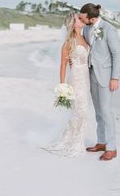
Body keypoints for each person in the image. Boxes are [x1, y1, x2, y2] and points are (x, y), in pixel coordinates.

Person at [41, 12, 90, 157]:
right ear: (74, 24)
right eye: (78, 19)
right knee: (82, 112)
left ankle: (71, 140)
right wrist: (62, 85)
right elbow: (63, 64)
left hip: (85, 78)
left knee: (80, 112)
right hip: (75, 78)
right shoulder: (69, 42)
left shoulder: (85, 37)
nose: (81, 20)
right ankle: (74, 144)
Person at [79, 3, 120, 161]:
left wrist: (115, 78)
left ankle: (112, 148)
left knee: (106, 112)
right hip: (91, 74)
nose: (82, 20)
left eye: (83, 18)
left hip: (105, 76)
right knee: (98, 112)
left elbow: (117, 54)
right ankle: (102, 142)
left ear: (92, 18)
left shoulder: (109, 29)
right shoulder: (87, 28)